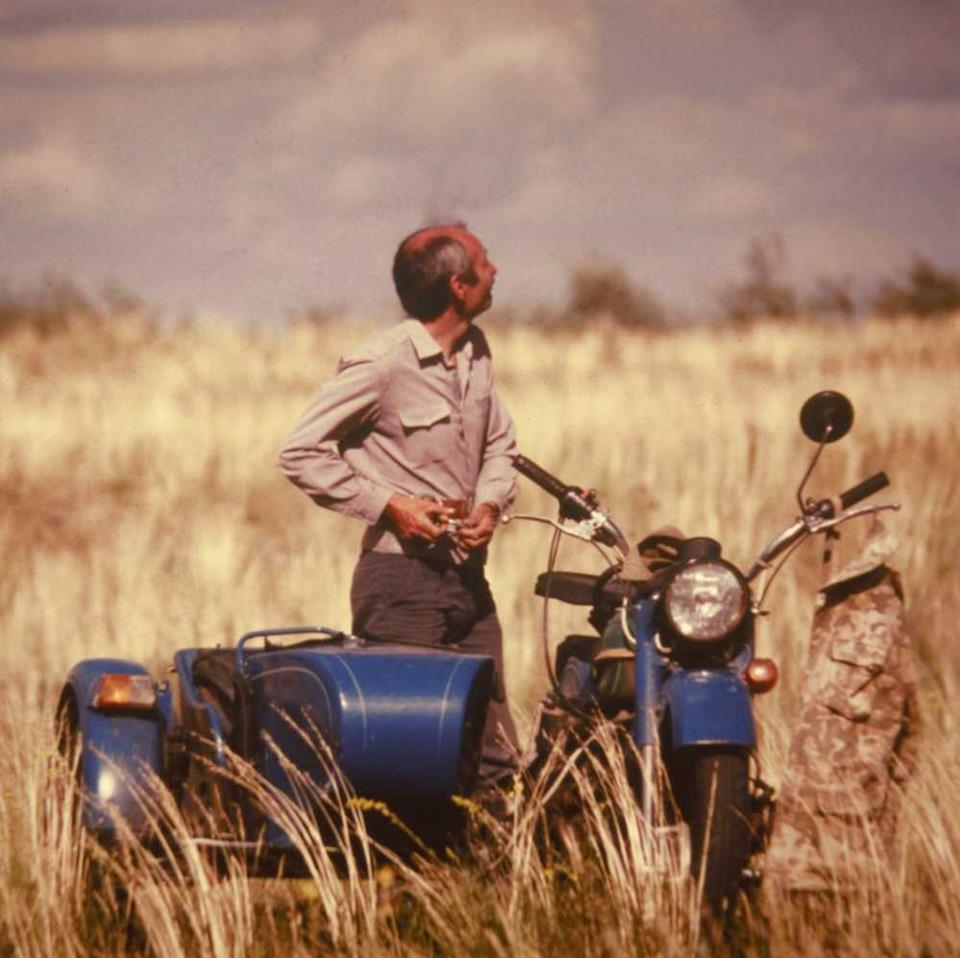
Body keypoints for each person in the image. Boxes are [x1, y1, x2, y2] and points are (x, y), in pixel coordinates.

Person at [277, 223, 520, 789]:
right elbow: (300, 452)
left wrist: (488, 504)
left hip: (468, 582)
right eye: (485, 263)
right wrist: (390, 505)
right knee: (413, 759)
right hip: (401, 582)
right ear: (459, 286)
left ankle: (491, 873)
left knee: (495, 752)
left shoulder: (476, 352)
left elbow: (501, 446)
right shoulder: (380, 363)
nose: (495, 271)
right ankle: (407, 878)